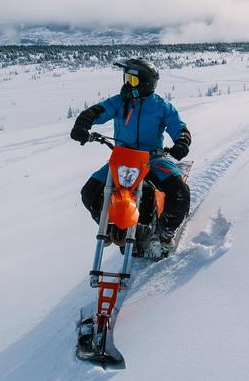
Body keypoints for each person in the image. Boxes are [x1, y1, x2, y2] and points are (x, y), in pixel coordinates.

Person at [71, 57, 192, 245]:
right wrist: (82, 124)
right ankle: (109, 227)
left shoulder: (161, 107)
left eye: (132, 81)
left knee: (180, 191)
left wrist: (181, 143)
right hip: (122, 158)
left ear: (146, 83)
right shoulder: (119, 102)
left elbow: (179, 127)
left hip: (152, 158)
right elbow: (96, 111)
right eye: (126, 79)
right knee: (89, 192)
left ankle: (166, 233)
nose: (127, 85)